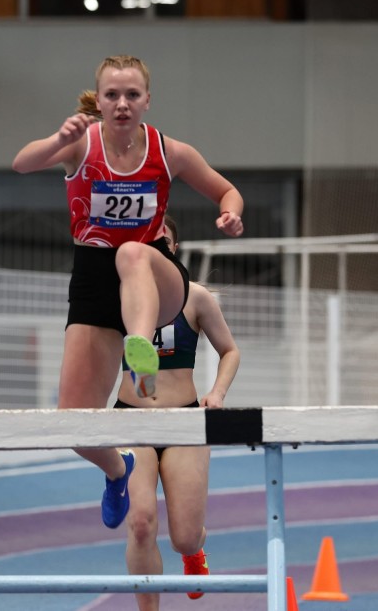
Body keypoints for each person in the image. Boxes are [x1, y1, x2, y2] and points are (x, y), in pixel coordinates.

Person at [13, 55, 244, 529]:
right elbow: (22, 163)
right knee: (73, 423)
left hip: (155, 276)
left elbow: (227, 191)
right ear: (99, 101)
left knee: (132, 254)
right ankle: (119, 470)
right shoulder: (81, 143)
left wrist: (231, 213)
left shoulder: (170, 151)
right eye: (112, 95)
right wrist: (58, 140)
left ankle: (140, 350)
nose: (122, 104)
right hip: (94, 281)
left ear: (147, 101)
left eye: (132, 95)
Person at [118, 217, 240, 607]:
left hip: (184, 423)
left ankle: (194, 551)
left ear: (173, 249)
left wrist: (217, 392)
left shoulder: (196, 297)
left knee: (184, 537)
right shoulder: (117, 295)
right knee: (140, 524)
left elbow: (230, 351)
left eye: (162, 241)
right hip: (130, 420)